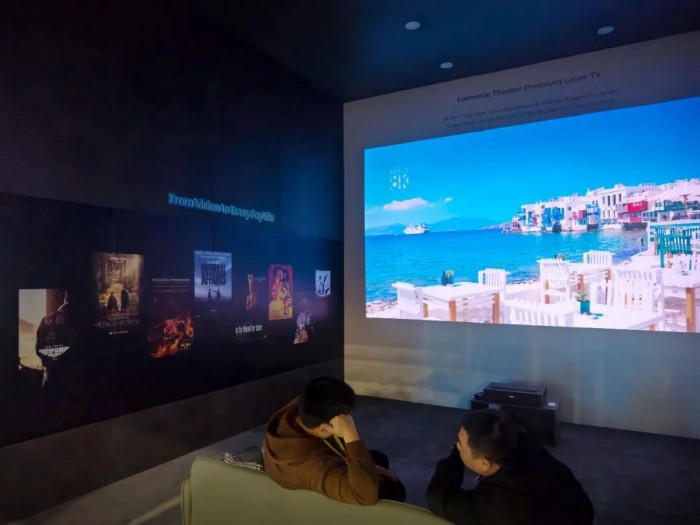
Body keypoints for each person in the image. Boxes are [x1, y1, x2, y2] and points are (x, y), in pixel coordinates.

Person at [426, 409, 594, 525]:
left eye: (461, 445)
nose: (458, 446)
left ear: (485, 464)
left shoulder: (499, 505)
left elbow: (438, 498)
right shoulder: (529, 449)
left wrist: (454, 457)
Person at [263, 376, 406, 505]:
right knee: (392, 490)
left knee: (378, 459)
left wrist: (371, 467)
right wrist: (349, 431)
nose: (348, 419)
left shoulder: (301, 408)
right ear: (324, 428)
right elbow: (364, 495)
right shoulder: (313, 466)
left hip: (325, 454)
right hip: (311, 471)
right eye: (344, 419)